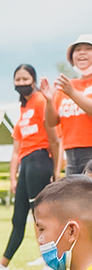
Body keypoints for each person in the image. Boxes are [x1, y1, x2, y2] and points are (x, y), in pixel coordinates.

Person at [0, 64, 57, 270]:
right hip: (26, 164)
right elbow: (16, 150)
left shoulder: (40, 100)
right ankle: (2, 264)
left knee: (41, 215)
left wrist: (56, 169)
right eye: (17, 79)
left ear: (34, 80)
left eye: (25, 78)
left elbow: (55, 138)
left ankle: (51, 265)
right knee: (18, 215)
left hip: (40, 160)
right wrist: (13, 177)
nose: (21, 83)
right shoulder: (25, 107)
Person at [42, 34, 92, 176]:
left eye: (88, 48)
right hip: (71, 156)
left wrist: (72, 93)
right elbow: (52, 122)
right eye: (77, 50)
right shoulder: (67, 86)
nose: (82, 52)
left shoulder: (69, 89)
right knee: (72, 197)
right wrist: (50, 100)